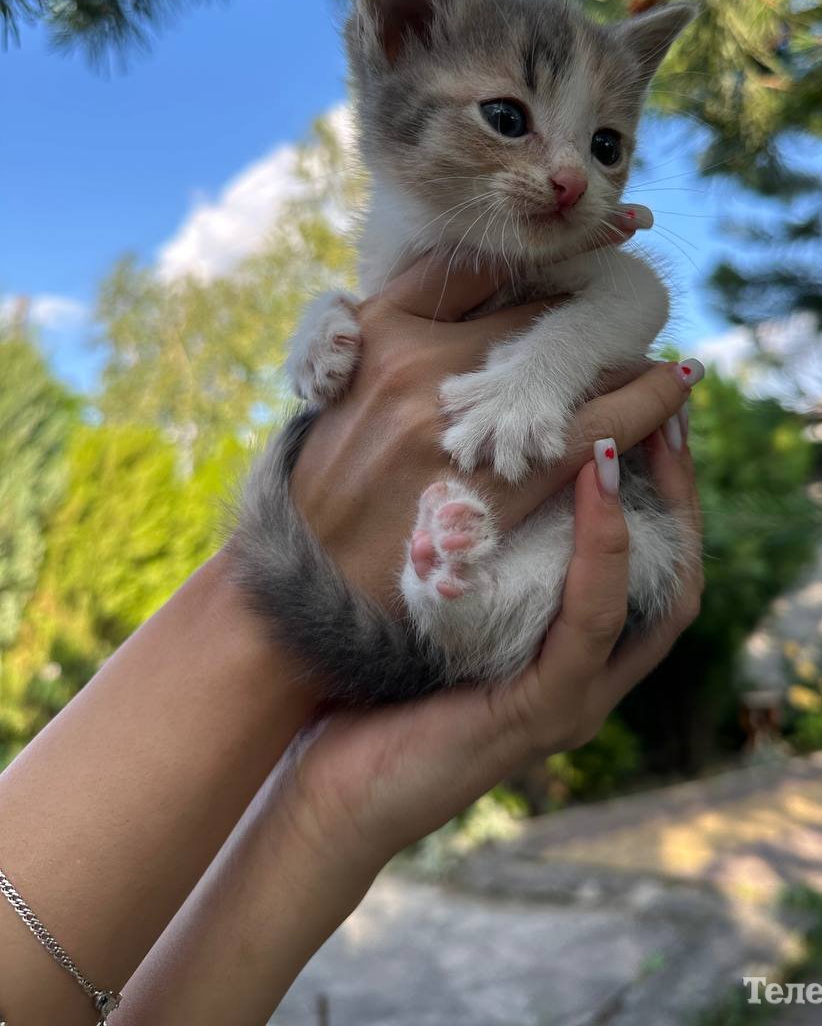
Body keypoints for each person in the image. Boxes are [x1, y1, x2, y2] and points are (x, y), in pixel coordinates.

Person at [0, 254, 704, 1026]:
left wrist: (323, 813)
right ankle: (451, 599)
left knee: (633, 558)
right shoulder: (409, 245)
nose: (567, 189)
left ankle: (453, 600)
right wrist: (320, 813)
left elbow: (637, 294)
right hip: (467, 577)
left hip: (540, 553)